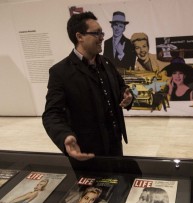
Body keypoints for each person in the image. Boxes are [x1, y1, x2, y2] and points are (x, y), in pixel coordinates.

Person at [42, 11, 133, 163]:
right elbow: (52, 114)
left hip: (115, 146)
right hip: (85, 152)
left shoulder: (107, 63)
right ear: (79, 36)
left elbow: (121, 87)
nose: (102, 37)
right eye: (97, 33)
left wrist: (127, 95)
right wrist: (64, 136)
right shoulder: (60, 72)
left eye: (102, 32)